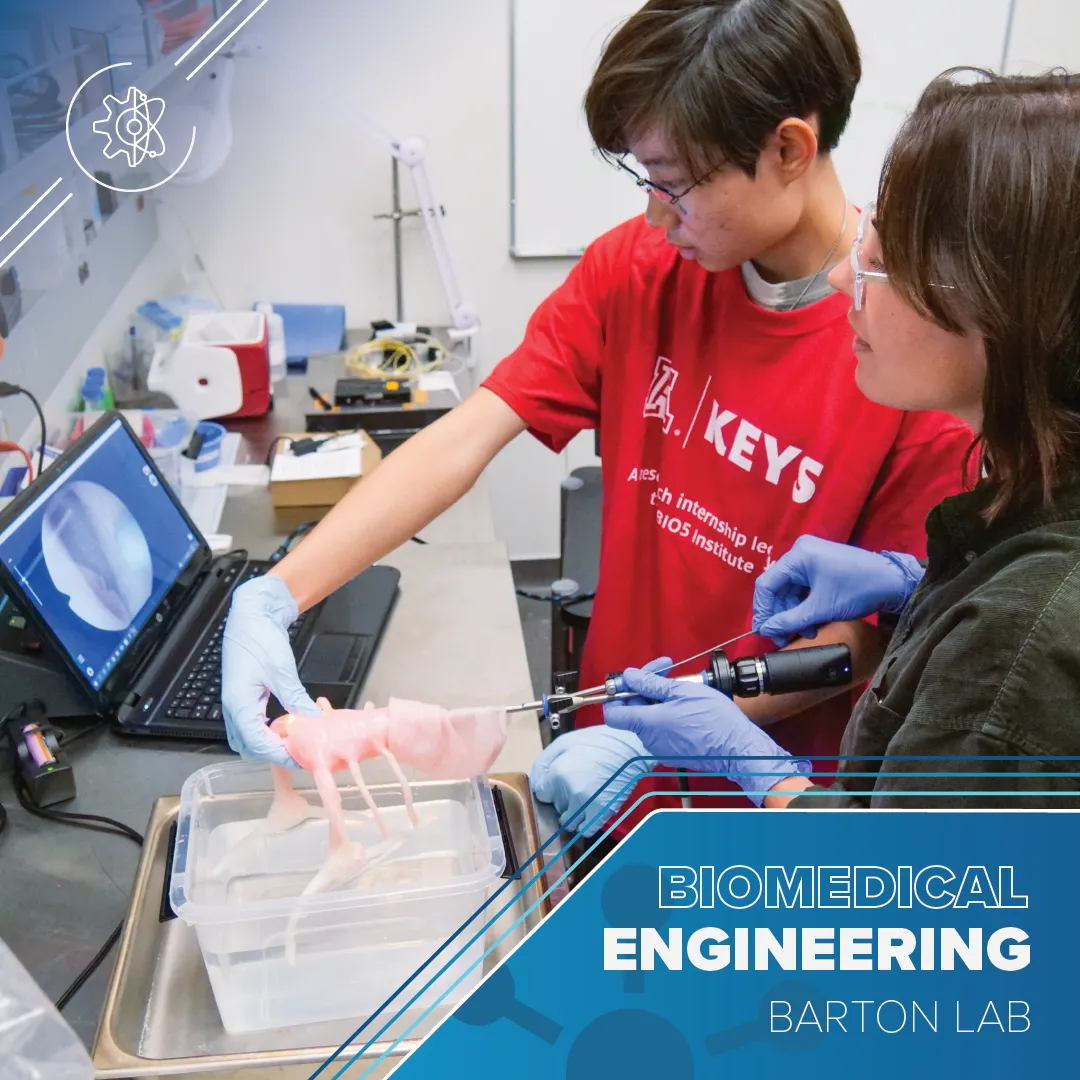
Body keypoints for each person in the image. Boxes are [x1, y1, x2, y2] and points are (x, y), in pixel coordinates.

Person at [221, 0, 972, 819]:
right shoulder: (638, 269)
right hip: (596, 761)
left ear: (787, 148)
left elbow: (868, 635)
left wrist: (664, 741)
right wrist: (277, 594)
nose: (655, 214)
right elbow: (470, 434)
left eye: (676, 184)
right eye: (643, 179)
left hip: (759, 805)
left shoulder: (905, 352)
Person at [532, 67, 1080, 824]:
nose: (846, 275)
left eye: (887, 258)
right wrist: (915, 583)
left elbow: (911, 911)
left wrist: (756, 769)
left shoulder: (1019, 645)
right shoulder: (1029, 498)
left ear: (1005, 307)